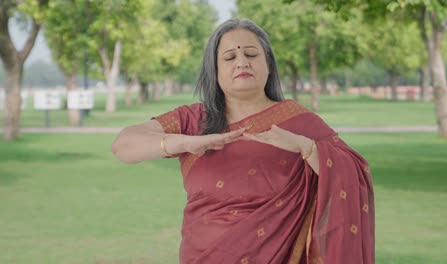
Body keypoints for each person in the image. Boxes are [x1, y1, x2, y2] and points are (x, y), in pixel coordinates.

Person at [112, 18, 374, 264]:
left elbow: (354, 176)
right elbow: (123, 145)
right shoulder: (194, 120)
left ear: (268, 64)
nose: (241, 62)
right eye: (229, 57)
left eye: (251, 54)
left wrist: (304, 146)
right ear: (214, 70)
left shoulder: (300, 122)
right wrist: (184, 143)